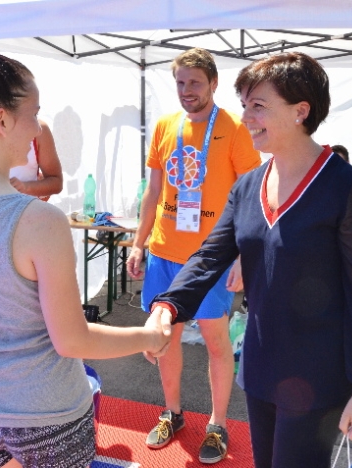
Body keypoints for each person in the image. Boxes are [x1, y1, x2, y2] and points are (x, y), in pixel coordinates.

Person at [0, 30, 172, 468]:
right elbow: (72, 339)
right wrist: (150, 336)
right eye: (33, 115)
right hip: (47, 415)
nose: (38, 127)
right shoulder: (38, 221)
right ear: (1, 120)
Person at [148, 52, 352, 467]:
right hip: (261, 367)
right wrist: (167, 306)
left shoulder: (347, 189)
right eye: (245, 105)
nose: (246, 117)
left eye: (258, 105)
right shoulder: (248, 186)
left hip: (318, 374)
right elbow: (210, 256)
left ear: (302, 110)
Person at [125, 47, 260, 464]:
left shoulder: (236, 129)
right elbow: (153, 191)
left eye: (195, 83)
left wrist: (242, 256)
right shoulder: (165, 126)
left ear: (214, 83)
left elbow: (252, 197)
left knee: (218, 343)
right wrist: (138, 241)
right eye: (181, 82)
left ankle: (217, 425)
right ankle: (173, 413)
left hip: (211, 261)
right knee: (165, 339)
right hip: (165, 252)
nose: (187, 91)